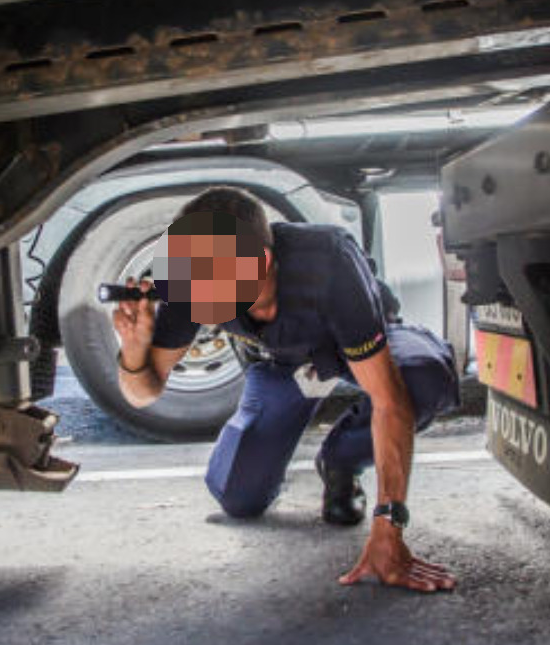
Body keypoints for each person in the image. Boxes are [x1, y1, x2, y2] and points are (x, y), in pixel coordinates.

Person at [110, 186, 461, 592]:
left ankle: (342, 460)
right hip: (283, 366)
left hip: (350, 347)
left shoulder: (328, 261)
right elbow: (142, 393)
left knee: (422, 381)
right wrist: (134, 352)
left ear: (261, 261)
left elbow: (388, 399)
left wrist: (389, 525)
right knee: (239, 499)